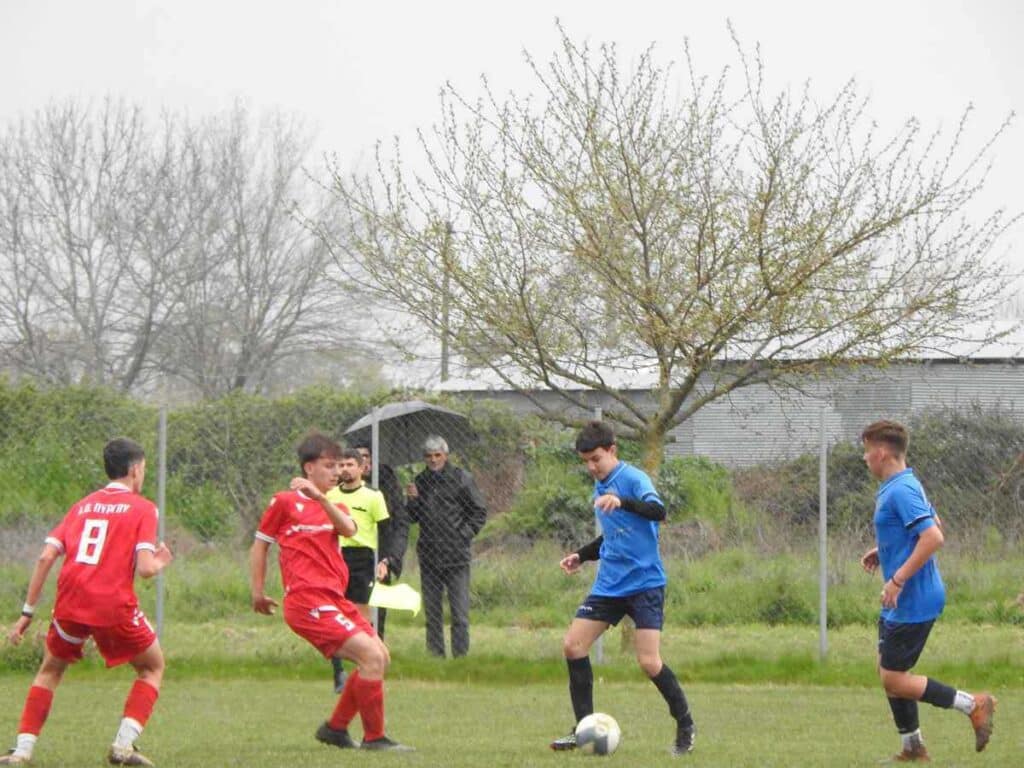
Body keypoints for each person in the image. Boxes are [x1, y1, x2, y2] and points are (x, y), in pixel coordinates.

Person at [0, 437, 173, 767]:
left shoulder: (81, 506)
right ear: (135, 469)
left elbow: (45, 556)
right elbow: (147, 568)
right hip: (112, 605)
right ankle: (123, 747)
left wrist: (27, 613)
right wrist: (163, 559)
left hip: (70, 602)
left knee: (49, 671)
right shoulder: (143, 508)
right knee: (152, 667)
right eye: (144, 469)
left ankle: (21, 751)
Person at [250, 432, 411, 751]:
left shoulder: (335, 504)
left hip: (334, 599)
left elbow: (349, 530)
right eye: (329, 466)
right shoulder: (284, 502)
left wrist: (321, 499)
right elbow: (260, 546)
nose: (337, 472)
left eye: (339, 466)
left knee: (380, 656)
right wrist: (257, 592)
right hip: (307, 601)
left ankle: (336, 729)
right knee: (370, 656)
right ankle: (374, 738)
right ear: (309, 468)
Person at [550, 421, 696, 756]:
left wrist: (623, 500)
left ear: (612, 451)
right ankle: (583, 730)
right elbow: (614, 535)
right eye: (585, 461)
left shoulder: (633, 479)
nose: (591, 467)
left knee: (648, 661)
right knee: (573, 646)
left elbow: (658, 511)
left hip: (645, 584)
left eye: (596, 459)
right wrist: (582, 556)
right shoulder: (599, 488)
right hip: (609, 585)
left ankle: (685, 724)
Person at [859, 419, 995, 761]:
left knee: (893, 679)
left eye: (866, 451)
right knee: (887, 670)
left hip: (912, 599)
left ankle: (973, 704)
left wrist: (898, 577)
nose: (864, 459)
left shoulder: (902, 488)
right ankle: (913, 747)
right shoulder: (902, 483)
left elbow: (934, 537)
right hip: (901, 600)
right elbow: (932, 524)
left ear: (881, 452)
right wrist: (887, 551)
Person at [405, 434, 487, 658]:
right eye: (428, 456)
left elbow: (479, 511)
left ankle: (460, 658)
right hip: (429, 555)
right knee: (433, 613)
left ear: (446, 455)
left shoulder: (461, 478)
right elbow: (413, 517)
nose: (433, 460)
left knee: (459, 614)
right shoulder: (420, 481)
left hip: (457, 556)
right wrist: (412, 499)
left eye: (437, 455)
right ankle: (435, 657)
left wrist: (464, 535)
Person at [326, 448, 390, 693]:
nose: (344, 469)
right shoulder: (330, 495)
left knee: (361, 617)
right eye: (341, 464)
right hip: (336, 557)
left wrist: (384, 560)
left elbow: (385, 530)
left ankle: (365, 671)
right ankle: (338, 673)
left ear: (362, 467)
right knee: (334, 614)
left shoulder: (373, 496)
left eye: (349, 464)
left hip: (362, 559)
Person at [353, 441, 410, 641]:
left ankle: (377, 647)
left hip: (382, 554)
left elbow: (401, 523)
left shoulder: (388, 482)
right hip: (355, 556)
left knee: (379, 609)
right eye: (358, 457)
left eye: (367, 456)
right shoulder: (345, 486)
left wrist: (391, 558)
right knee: (354, 607)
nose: (363, 461)